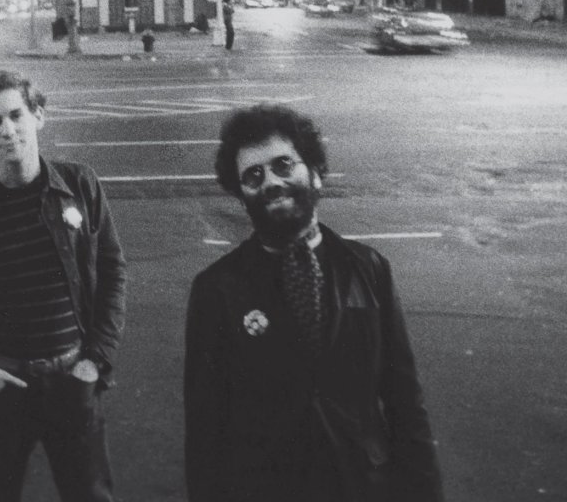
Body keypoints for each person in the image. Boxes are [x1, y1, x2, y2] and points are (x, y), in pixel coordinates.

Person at [184, 104, 443, 502]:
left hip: (364, 487)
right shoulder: (216, 290)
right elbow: (205, 428)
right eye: (253, 175)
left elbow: (405, 401)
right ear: (241, 194)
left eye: (283, 165)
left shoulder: (368, 269)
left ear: (316, 173)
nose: (271, 181)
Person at [0, 70, 127, 502]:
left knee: (90, 494)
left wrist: (94, 361)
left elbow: (112, 272)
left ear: (39, 116)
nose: (7, 130)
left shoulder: (80, 186)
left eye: (17, 115)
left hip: (71, 380)